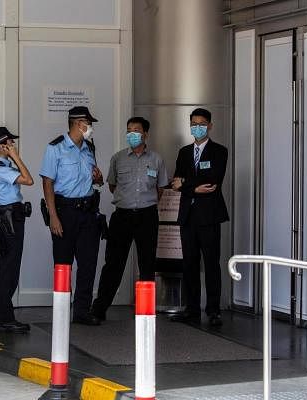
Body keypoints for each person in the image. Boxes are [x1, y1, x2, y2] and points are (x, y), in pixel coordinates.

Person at [91, 117, 168, 321]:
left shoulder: (157, 160)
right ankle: (99, 309)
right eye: (129, 130)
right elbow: (112, 186)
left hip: (147, 216)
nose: (131, 134)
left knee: (147, 264)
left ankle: (146, 311)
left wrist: (143, 201)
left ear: (145, 134)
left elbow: (160, 189)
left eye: (136, 130)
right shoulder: (118, 158)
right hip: (122, 216)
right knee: (113, 264)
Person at [39, 106, 104, 326]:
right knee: (63, 264)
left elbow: (95, 180)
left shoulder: (89, 148)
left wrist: (99, 178)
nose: (90, 128)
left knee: (88, 263)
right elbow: (47, 182)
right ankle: (62, 310)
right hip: (64, 212)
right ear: (78, 123)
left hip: (88, 212)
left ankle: (82, 311)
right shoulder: (55, 148)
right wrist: (53, 216)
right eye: (89, 123)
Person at [171, 108, 229, 327]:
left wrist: (186, 185)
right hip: (187, 216)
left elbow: (213, 181)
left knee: (212, 264)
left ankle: (213, 310)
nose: (197, 127)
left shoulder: (219, 151)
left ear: (210, 126)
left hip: (209, 216)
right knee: (189, 264)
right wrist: (193, 187)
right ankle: (191, 309)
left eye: (202, 124)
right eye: (194, 124)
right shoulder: (184, 152)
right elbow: (176, 182)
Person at [0, 127, 34, 333]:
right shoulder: (0, 166)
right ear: (2, 145)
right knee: (9, 270)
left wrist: (12, 157)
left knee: (9, 269)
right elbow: (29, 179)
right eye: (10, 143)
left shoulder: (4, 165)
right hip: (9, 221)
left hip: (12, 218)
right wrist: (16, 157)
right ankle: (2, 318)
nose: (13, 145)